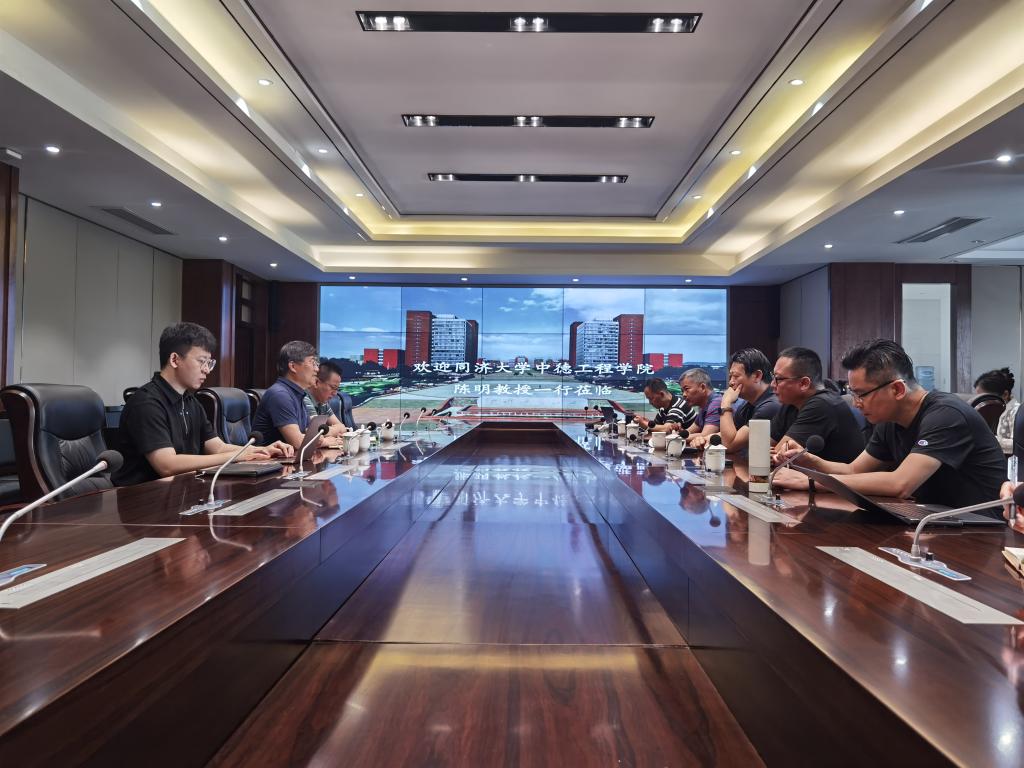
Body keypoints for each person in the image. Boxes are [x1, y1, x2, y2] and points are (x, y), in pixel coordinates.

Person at [774, 339, 1006, 509]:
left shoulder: (947, 415)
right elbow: (854, 470)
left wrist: (811, 482)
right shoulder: (889, 420)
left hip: (980, 529)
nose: (856, 404)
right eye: (852, 394)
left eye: (861, 394)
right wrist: (811, 462)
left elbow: (900, 484)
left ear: (897, 389)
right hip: (932, 520)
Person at [114, 322, 291, 486]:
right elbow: (167, 465)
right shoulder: (146, 403)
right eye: (202, 361)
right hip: (141, 499)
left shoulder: (190, 401)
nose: (206, 370)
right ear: (175, 360)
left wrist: (260, 450)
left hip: (180, 491)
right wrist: (238, 456)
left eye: (209, 363)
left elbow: (217, 447)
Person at [771, 346, 864, 462]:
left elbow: (776, 460)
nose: (772, 384)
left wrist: (767, 455)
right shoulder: (791, 402)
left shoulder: (822, 405)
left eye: (778, 379)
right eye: (773, 377)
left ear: (804, 383)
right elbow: (760, 450)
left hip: (839, 474)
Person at [692, 348, 780, 452]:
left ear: (757, 376)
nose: (731, 382)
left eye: (736, 376)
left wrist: (726, 403)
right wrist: (706, 439)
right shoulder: (747, 404)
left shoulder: (770, 405)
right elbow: (731, 434)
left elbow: (730, 444)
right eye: (730, 377)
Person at [253, 340, 324, 450]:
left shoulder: (298, 393)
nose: (317, 369)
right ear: (293, 366)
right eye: (312, 363)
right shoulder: (280, 394)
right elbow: (298, 442)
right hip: (270, 459)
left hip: (290, 457)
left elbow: (308, 432)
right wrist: (325, 441)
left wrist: (316, 438)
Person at [974, 367, 1019, 454]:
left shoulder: (1015, 412)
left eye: (985, 397)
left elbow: (1017, 444)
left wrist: (988, 439)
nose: (981, 401)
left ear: (1005, 394)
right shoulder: (997, 410)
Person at [304, 360, 349, 437]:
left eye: (337, 389)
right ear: (316, 382)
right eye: (333, 387)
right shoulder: (304, 398)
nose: (335, 393)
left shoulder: (323, 402)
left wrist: (328, 431)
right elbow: (316, 432)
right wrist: (334, 430)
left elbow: (342, 427)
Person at [678, 368, 723, 442]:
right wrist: (678, 433)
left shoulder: (716, 403)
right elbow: (689, 432)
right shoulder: (703, 406)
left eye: (687, 389)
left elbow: (705, 435)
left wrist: (674, 438)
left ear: (702, 387)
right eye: (682, 391)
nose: (684, 394)